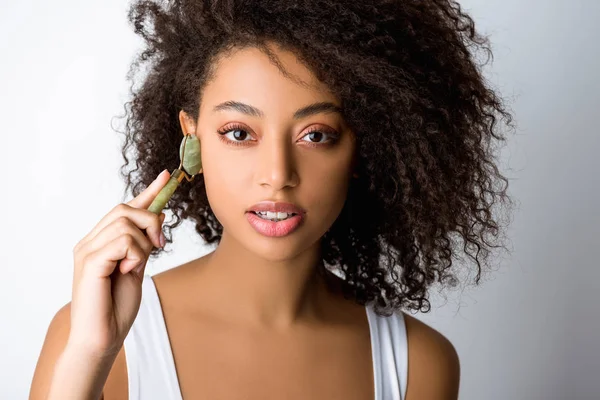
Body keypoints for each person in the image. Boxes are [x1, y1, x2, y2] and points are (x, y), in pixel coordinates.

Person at [29, 0, 514, 399]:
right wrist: (90, 356)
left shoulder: (419, 366)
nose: (278, 176)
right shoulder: (96, 336)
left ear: (363, 147)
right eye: (239, 132)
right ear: (192, 140)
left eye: (317, 135)